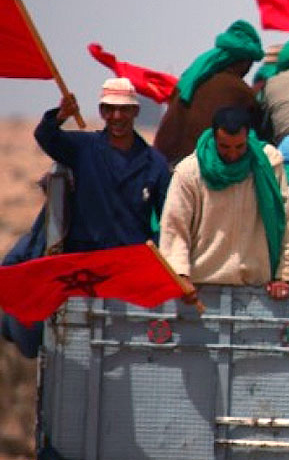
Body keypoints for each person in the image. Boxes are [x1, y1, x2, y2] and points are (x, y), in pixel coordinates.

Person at [2, 79, 172, 357]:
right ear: (102, 112)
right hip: (83, 268)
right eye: (109, 109)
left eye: (124, 110)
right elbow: (47, 137)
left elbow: (168, 219)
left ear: (135, 112)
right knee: (78, 346)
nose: (117, 117)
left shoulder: (154, 163)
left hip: (127, 271)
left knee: (126, 346)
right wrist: (59, 117)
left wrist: (155, 257)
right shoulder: (83, 148)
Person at [159, 106, 289, 298]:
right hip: (203, 284)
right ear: (215, 138)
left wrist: (284, 275)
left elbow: (284, 219)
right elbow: (175, 226)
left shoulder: (268, 164)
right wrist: (180, 274)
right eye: (225, 147)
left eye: (239, 147)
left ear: (248, 137)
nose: (232, 154)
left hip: (256, 286)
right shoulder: (190, 171)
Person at [153, 20, 265, 166]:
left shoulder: (190, 79)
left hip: (161, 164)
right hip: (201, 171)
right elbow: (258, 137)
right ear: (244, 62)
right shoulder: (241, 92)